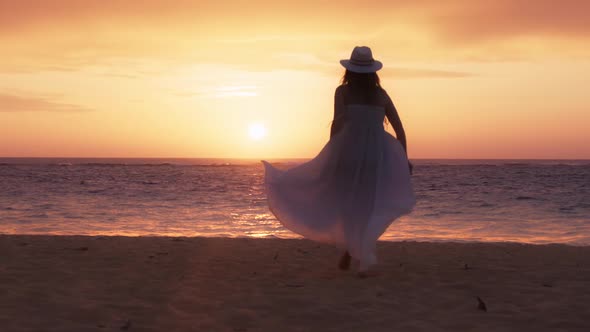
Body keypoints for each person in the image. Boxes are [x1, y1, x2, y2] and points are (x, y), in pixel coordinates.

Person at [262, 46, 415, 276]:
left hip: (349, 151)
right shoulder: (381, 95)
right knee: (367, 205)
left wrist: (332, 153)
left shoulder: (342, 92)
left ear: (350, 70)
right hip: (376, 154)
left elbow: (337, 124)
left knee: (345, 202)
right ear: (373, 71)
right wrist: (403, 158)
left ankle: (352, 251)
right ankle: (359, 254)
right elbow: (400, 130)